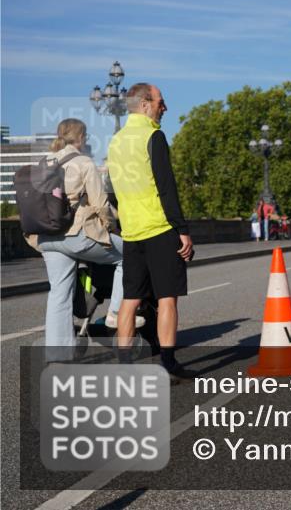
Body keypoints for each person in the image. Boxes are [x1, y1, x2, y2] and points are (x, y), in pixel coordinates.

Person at [27, 119, 144, 361]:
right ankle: (115, 313)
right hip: (76, 235)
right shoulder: (83, 162)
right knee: (131, 256)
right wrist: (113, 229)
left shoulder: (44, 162)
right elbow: (101, 204)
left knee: (59, 294)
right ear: (81, 137)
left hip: (47, 238)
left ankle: (58, 356)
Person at [108, 83, 194, 379]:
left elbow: (113, 191)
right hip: (159, 227)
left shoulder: (116, 141)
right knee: (167, 297)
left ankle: (124, 366)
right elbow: (166, 187)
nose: (164, 107)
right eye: (160, 102)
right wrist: (182, 229)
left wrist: (125, 223)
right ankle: (168, 364)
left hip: (132, 232)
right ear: (145, 104)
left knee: (130, 300)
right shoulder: (153, 136)